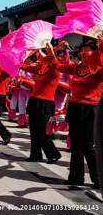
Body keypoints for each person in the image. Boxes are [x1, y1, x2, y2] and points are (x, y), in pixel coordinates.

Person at [50, 38, 102, 188]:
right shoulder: (76, 67)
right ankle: (75, 177)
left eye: (89, 49)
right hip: (74, 107)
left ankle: (98, 179)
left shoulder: (98, 69)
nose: (84, 52)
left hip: (90, 109)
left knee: (88, 146)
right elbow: (57, 65)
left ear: (96, 52)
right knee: (76, 145)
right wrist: (51, 50)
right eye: (83, 49)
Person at [21, 44, 62, 164]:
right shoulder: (40, 69)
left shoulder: (55, 71)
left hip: (46, 103)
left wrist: (51, 51)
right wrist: (15, 61)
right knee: (33, 130)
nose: (40, 60)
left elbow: (53, 60)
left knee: (41, 130)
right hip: (34, 101)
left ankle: (53, 153)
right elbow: (25, 67)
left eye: (43, 58)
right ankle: (35, 154)